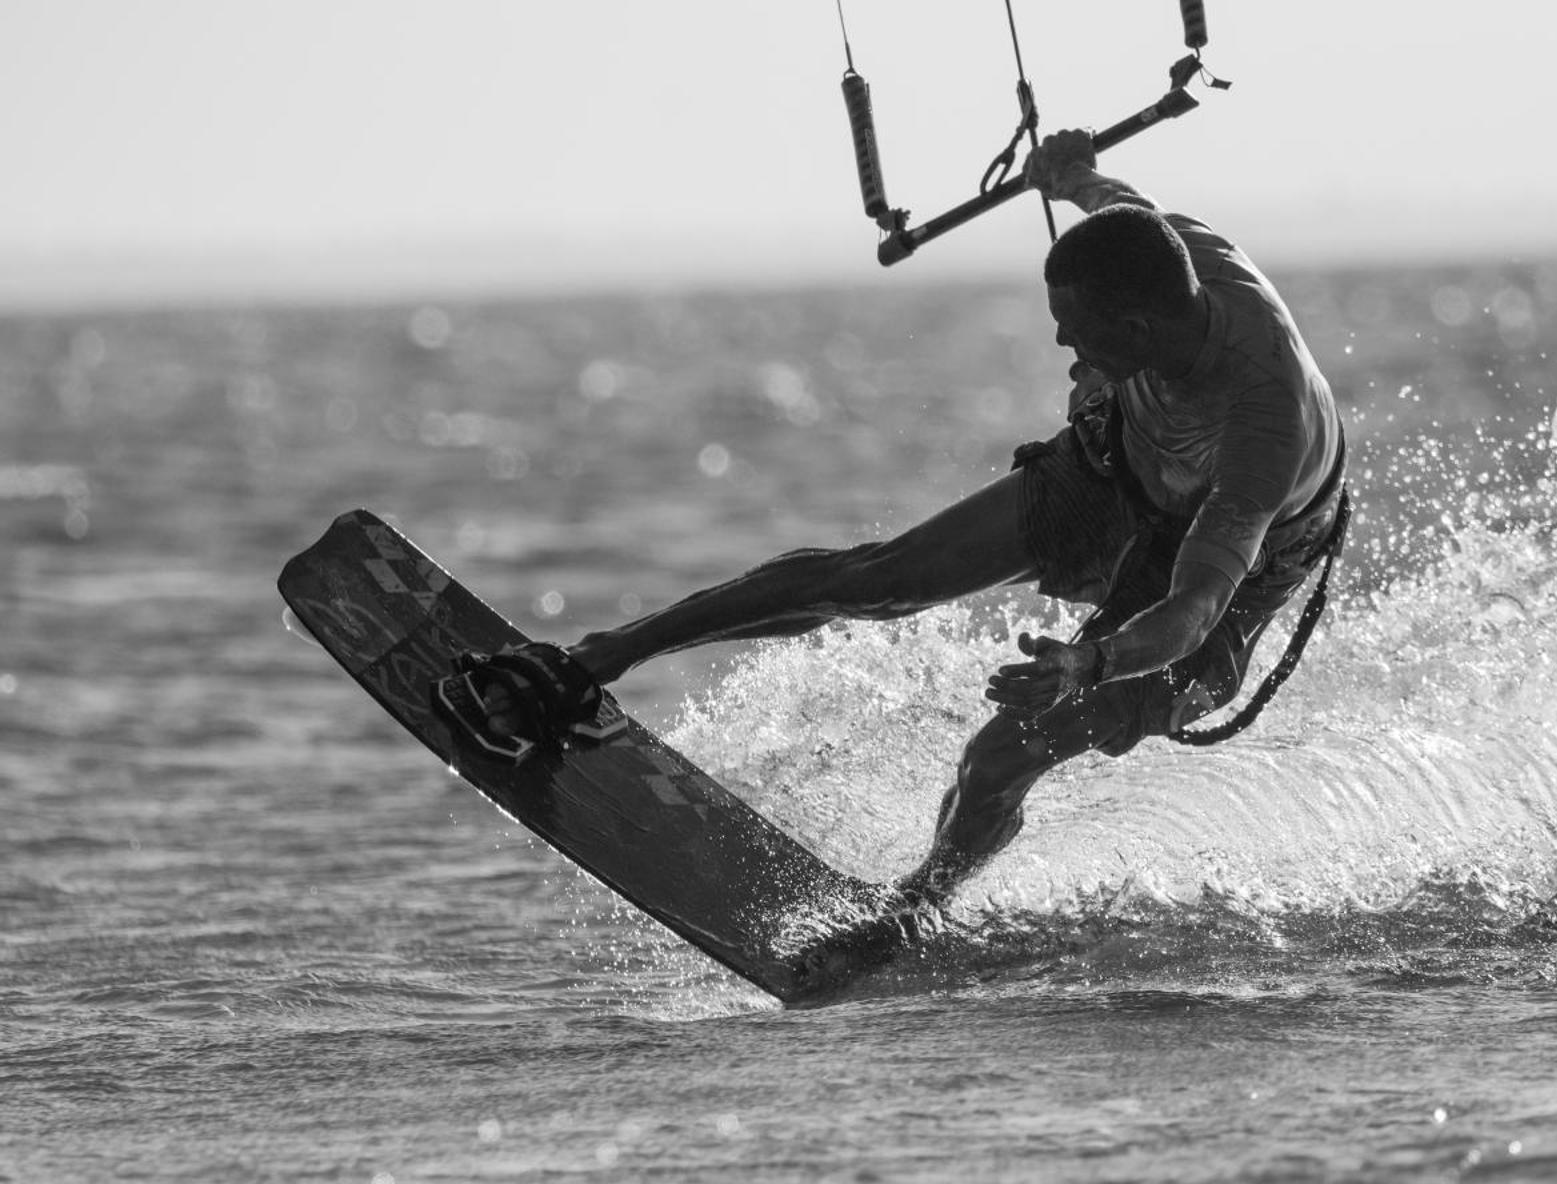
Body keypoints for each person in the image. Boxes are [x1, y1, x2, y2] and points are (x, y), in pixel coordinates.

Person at [434, 127, 1348, 964]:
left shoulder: (1263, 422)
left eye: (1077, 327)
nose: (1063, 341)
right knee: (877, 576)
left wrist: (1089, 661)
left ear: (1141, 328)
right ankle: (601, 656)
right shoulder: (1161, 249)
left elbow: (1192, 608)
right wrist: (1068, 173)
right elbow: (1114, 200)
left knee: (1000, 754)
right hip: (1127, 460)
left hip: (1233, 558)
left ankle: (915, 909)